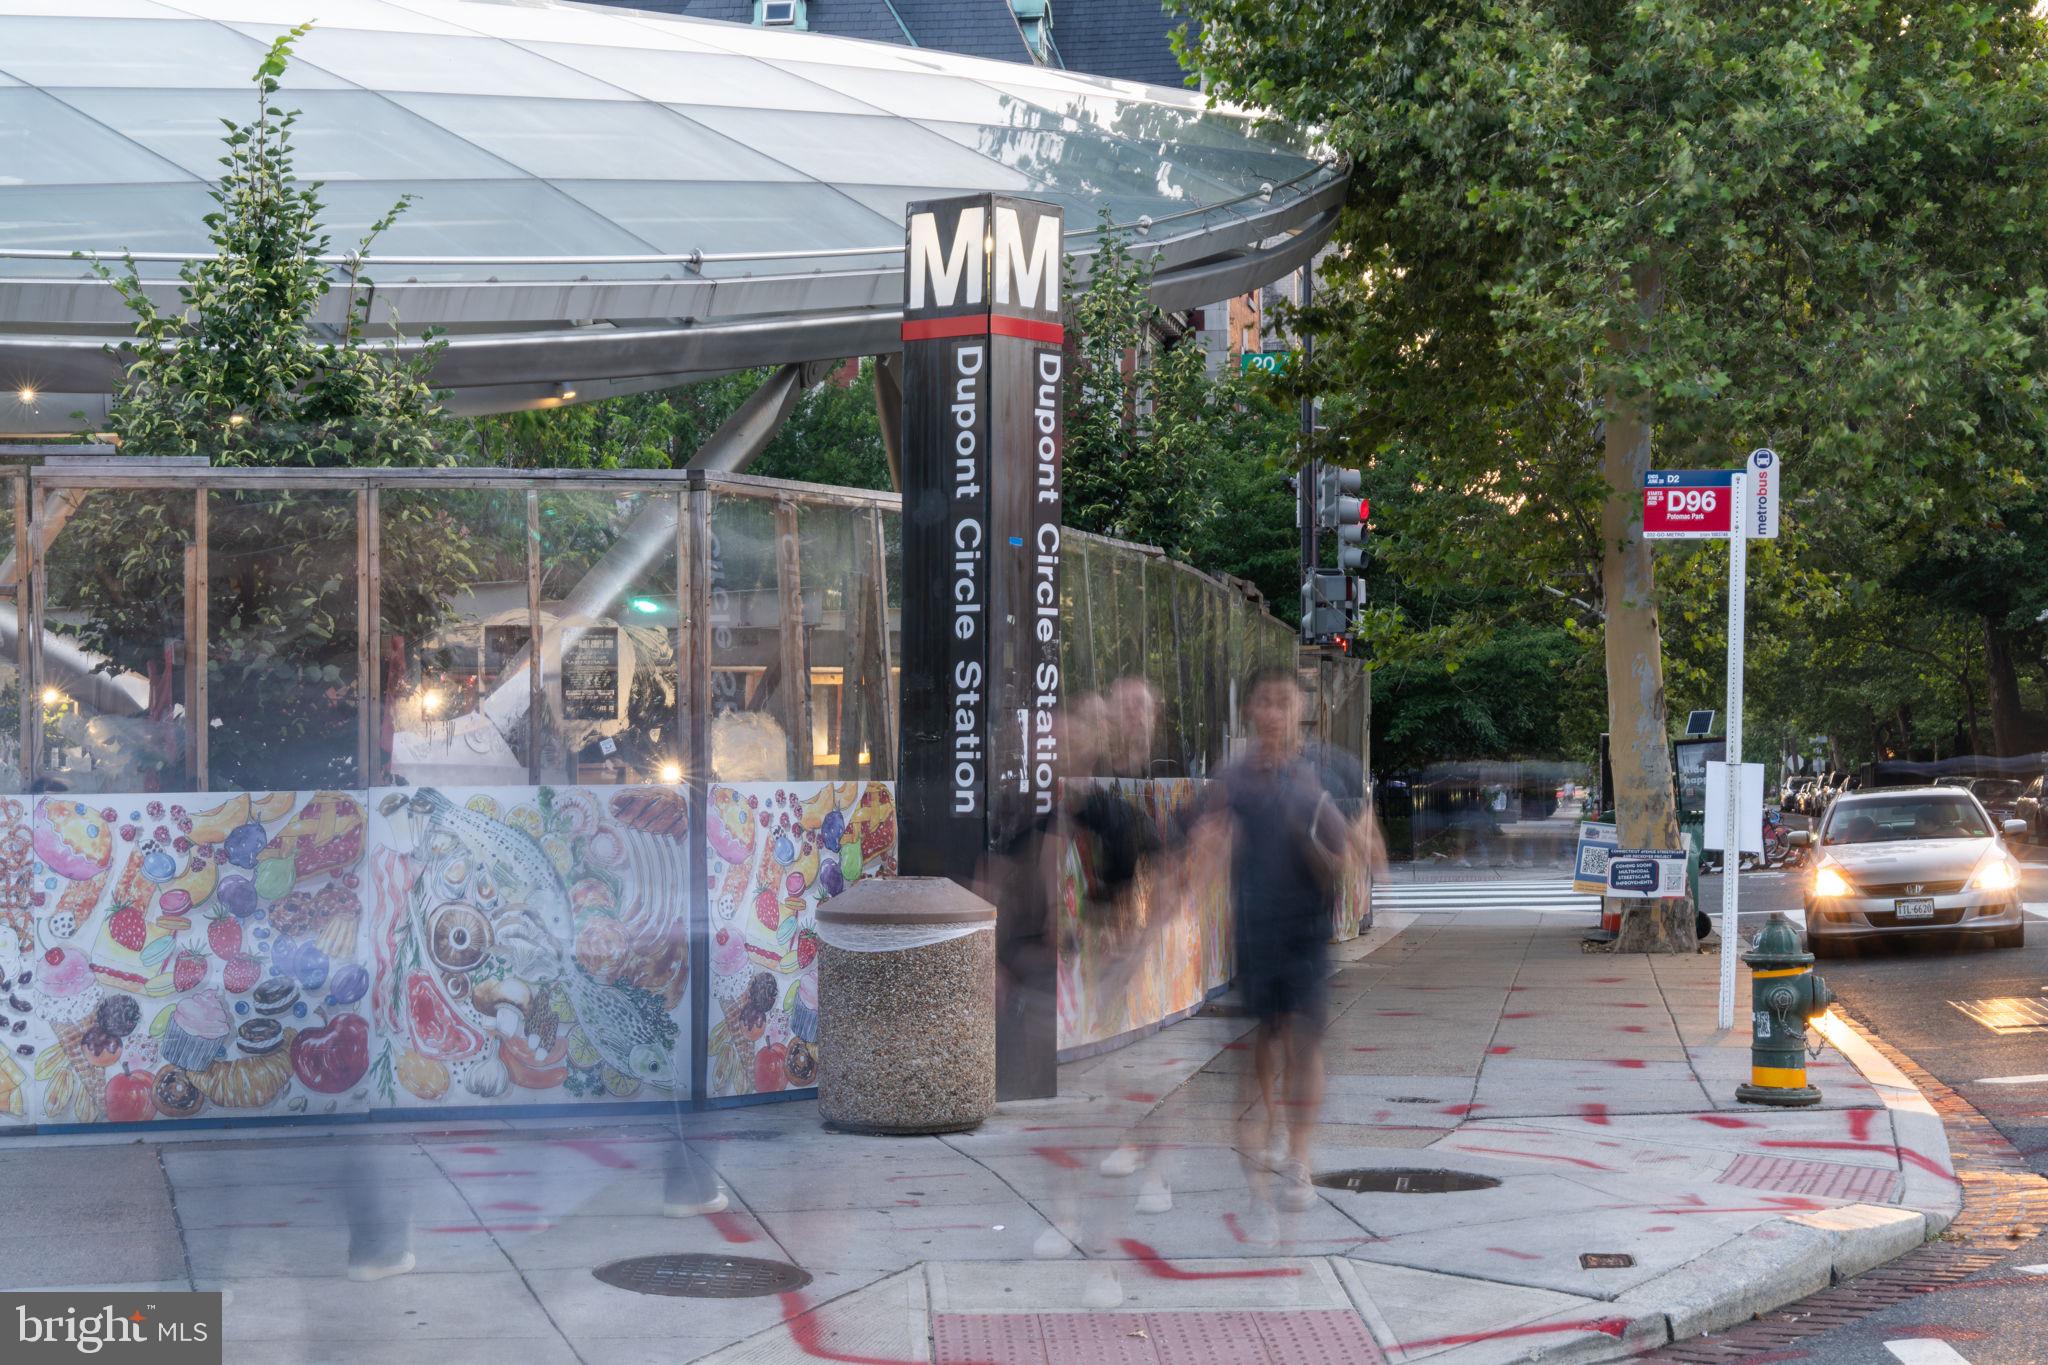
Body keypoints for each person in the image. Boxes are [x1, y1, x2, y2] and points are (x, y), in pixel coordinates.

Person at [1182, 665, 1383, 1221]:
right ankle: (1269, 1127)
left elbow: (1367, 849)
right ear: (1251, 711)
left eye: (1284, 702)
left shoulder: (1333, 770)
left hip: (1307, 929)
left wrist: (1342, 845)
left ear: (1302, 709)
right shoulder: (1234, 777)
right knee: (1265, 1041)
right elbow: (1206, 842)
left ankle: (1299, 1158)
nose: (1274, 712)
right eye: (1264, 702)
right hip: (1254, 927)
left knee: (1306, 1041)